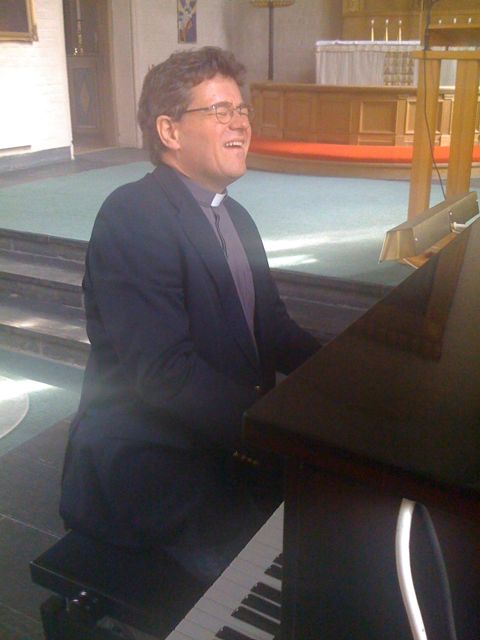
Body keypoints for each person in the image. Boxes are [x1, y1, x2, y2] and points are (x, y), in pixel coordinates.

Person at [60, 46, 319, 582]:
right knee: (281, 582)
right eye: (220, 110)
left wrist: (343, 371)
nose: (240, 123)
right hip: (155, 463)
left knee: (328, 532)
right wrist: (276, 431)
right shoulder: (133, 215)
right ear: (170, 131)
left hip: (224, 443)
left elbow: (272, 326)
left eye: (242, 109)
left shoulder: (236, 216)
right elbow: (165, 375)